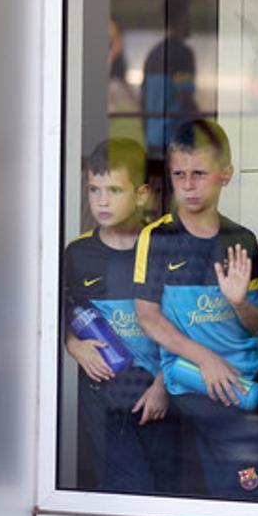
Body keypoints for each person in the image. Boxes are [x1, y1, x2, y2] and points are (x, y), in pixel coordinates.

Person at [134, 120, 258, 500]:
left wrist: (239, 301)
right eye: (179, 174)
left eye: (199, 173)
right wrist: (205, 360)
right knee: (213, 492)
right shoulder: (157, 238)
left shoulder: (242, 240)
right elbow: (148, 317)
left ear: (225, 174)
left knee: (249, 494)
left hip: (242, 385)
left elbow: (257, 324)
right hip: (194, 385)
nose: (187, 184)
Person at [63, 137, 179, 493]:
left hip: (159, 394)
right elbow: (62, 313)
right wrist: (74, 346)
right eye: (94, 189)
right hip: (103, 399)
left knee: (166, 491)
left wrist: (162, 385)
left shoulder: (164, 248)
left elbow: (185, 324)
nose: (101, 200)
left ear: (143, 194)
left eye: (114, 190)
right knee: (127, 488)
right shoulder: (78, 254)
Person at [140, 0, 198, 159]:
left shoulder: (153, 54)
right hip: (176, 143)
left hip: (153, 143)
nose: (192, 21)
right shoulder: (182, 54)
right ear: (181, 17)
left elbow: (142, 103)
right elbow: (185, 99)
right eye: (189, 14)